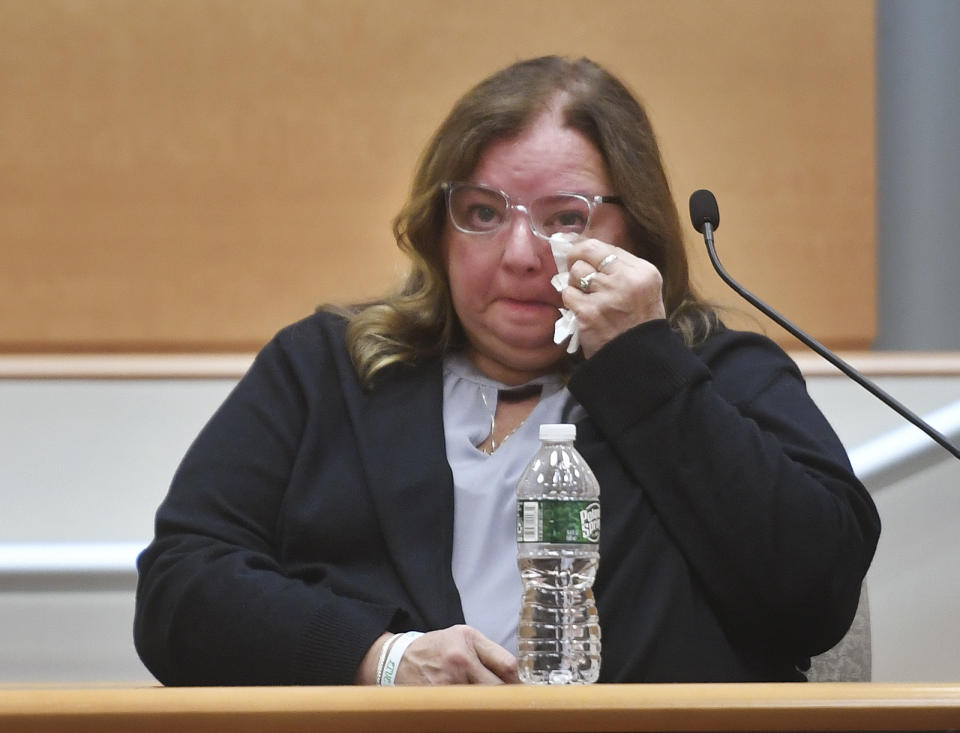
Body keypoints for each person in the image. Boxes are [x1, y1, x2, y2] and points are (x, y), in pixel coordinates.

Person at [134, 55, 880, 686]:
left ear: (637, 232)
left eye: (565, 217)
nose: (521, 253)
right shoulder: (327, 368)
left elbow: (815, 592)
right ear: (440, 226)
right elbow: (178, 587)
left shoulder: (711, 372)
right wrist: (380, 659)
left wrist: (641, 362)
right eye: (486, 213)